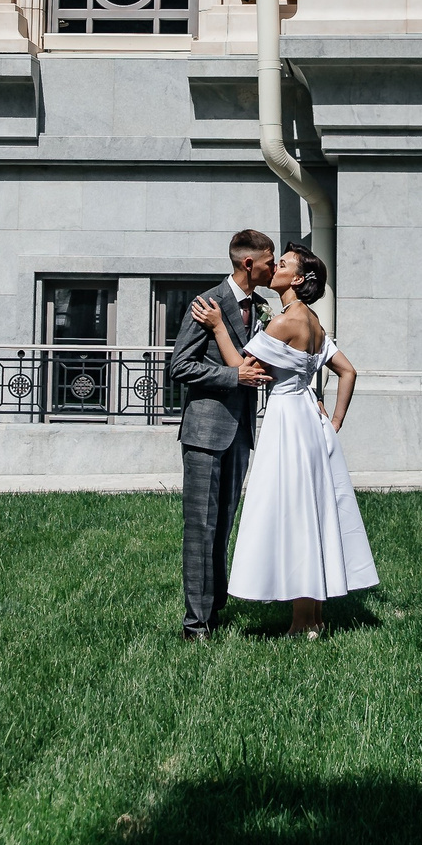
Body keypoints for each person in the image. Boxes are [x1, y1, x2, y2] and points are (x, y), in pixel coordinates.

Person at [189, 241, 377, 638]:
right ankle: (314, 618)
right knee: (313, 510)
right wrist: (334, 420)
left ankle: (301, 622)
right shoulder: (315, 323)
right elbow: (349, 372)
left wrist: (220, 326)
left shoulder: (285, 322)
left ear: (298, 279)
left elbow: (242, 367)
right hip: (310, 419)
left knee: (295, 512)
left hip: (288, 421)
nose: (275, 267)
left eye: (284, 264)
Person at [168, 228, 276, 639]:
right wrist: (232, 376)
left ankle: (213, 607)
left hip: (241, 434)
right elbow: (180, 366)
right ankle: (195, 626)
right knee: (201, 526)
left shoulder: (262, 307)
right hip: (205, 433)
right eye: (268, 261)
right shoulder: (206, 304)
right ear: (249, 263)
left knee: (224, 523)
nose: (272, 268)